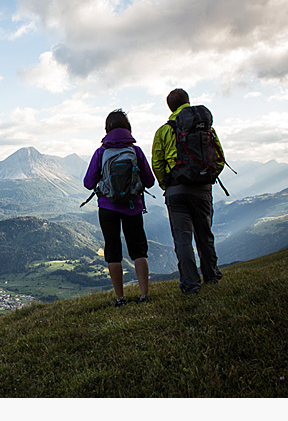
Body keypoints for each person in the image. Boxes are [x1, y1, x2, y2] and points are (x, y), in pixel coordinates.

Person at [151, 88, 224, 294]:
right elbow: (219, 157)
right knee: (205, 235)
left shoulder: (164, 131)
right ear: (188, 102)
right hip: (202, 190)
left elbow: (157, 162)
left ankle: (191, 284)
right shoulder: (206, 128)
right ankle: (211, 276)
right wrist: (208, 178)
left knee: (182, 239)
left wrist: (167, 184)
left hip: (176, 191)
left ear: (170, 107)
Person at [83, 109, 155, 306]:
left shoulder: (101, 152)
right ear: (127, 128)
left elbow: (88, 182)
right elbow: (149, 182)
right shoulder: (135, 151)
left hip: (108, 208)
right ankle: (144, 295)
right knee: (139, 249)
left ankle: (120, 298)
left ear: (107, 129)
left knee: (113, 251)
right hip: (133, 206)